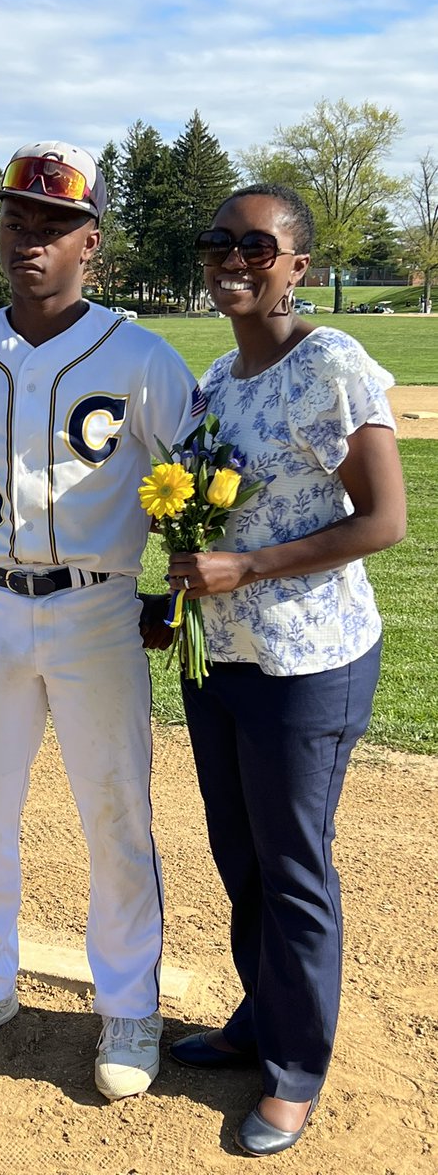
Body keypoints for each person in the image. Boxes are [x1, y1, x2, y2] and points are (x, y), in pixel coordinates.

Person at [0, 140, 206, 1099]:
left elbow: (203, 490)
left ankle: (129, 1008)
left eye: (54, 224)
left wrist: (175, 595)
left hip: (98, 610)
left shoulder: (141, 355)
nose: (32, 238)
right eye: (18, 220)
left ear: (90, 242)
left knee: (117, 813)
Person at [166, 184, 406, 1156]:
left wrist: (249, 567)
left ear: (296, 265)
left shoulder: (333, 366)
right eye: (218, 241)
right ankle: (260, 1022)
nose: (234, 257)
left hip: (306, 665)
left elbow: (383, 521)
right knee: (245, 862)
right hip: (220, 659)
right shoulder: (220, 380)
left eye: (257, 246)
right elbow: (211, 516)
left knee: (295, 871)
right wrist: (179, 593)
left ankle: (297, 1070)